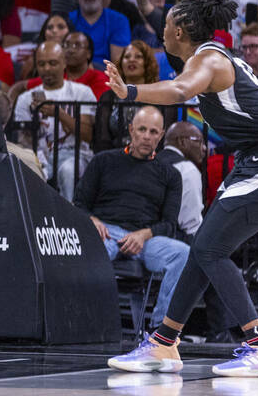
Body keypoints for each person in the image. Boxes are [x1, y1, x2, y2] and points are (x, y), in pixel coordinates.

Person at [107, 0, 258, 378]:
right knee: (202, 250)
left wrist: (130, 92)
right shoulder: (213, 57)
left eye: (167, 21)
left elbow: (176, 92)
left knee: (209, 248)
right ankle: (163, 344)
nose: (162, 28)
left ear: (180, 30)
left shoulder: (208, 59)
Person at [75, 106, 189, 328]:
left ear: (162, 135)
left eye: (154, 132)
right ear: (131, 130)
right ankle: (86, 321)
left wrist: (143, 235)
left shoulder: (171, 175)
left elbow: (169, 224)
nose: (147, 137)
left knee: (182, 254)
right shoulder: (103, 161)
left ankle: (161, 328)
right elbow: (79, 204)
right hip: (107, 231)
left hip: (146, 238)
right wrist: (93, 221)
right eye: (142, 129)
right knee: (91, 249)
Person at [13, 40, 96, 200]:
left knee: (67, 170)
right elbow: (23, 141)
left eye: (53, 63)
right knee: (28, 169)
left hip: (75, 154)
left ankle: (71, 219)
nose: (47, 69)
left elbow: (88, 135)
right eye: (42, 64)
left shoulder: (82, 93)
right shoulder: (25, 99)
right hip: (39, 155)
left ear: (64, 63)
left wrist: (59, 113)